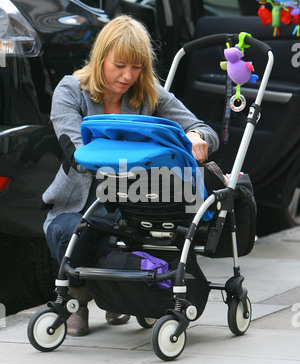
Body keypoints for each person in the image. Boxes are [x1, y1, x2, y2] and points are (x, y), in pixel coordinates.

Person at [42, 15, 219, 337]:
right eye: (120, 65)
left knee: (139, 237)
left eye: (136, 68)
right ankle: (80, 297)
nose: (127, 76)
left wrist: (195, 138)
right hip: (79, 203)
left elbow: (202, 128)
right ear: (101, 58)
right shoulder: (70, 90)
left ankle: (119, 293)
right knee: (69, 232)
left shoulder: (150, 94)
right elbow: (76, 152)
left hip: (135, 205)